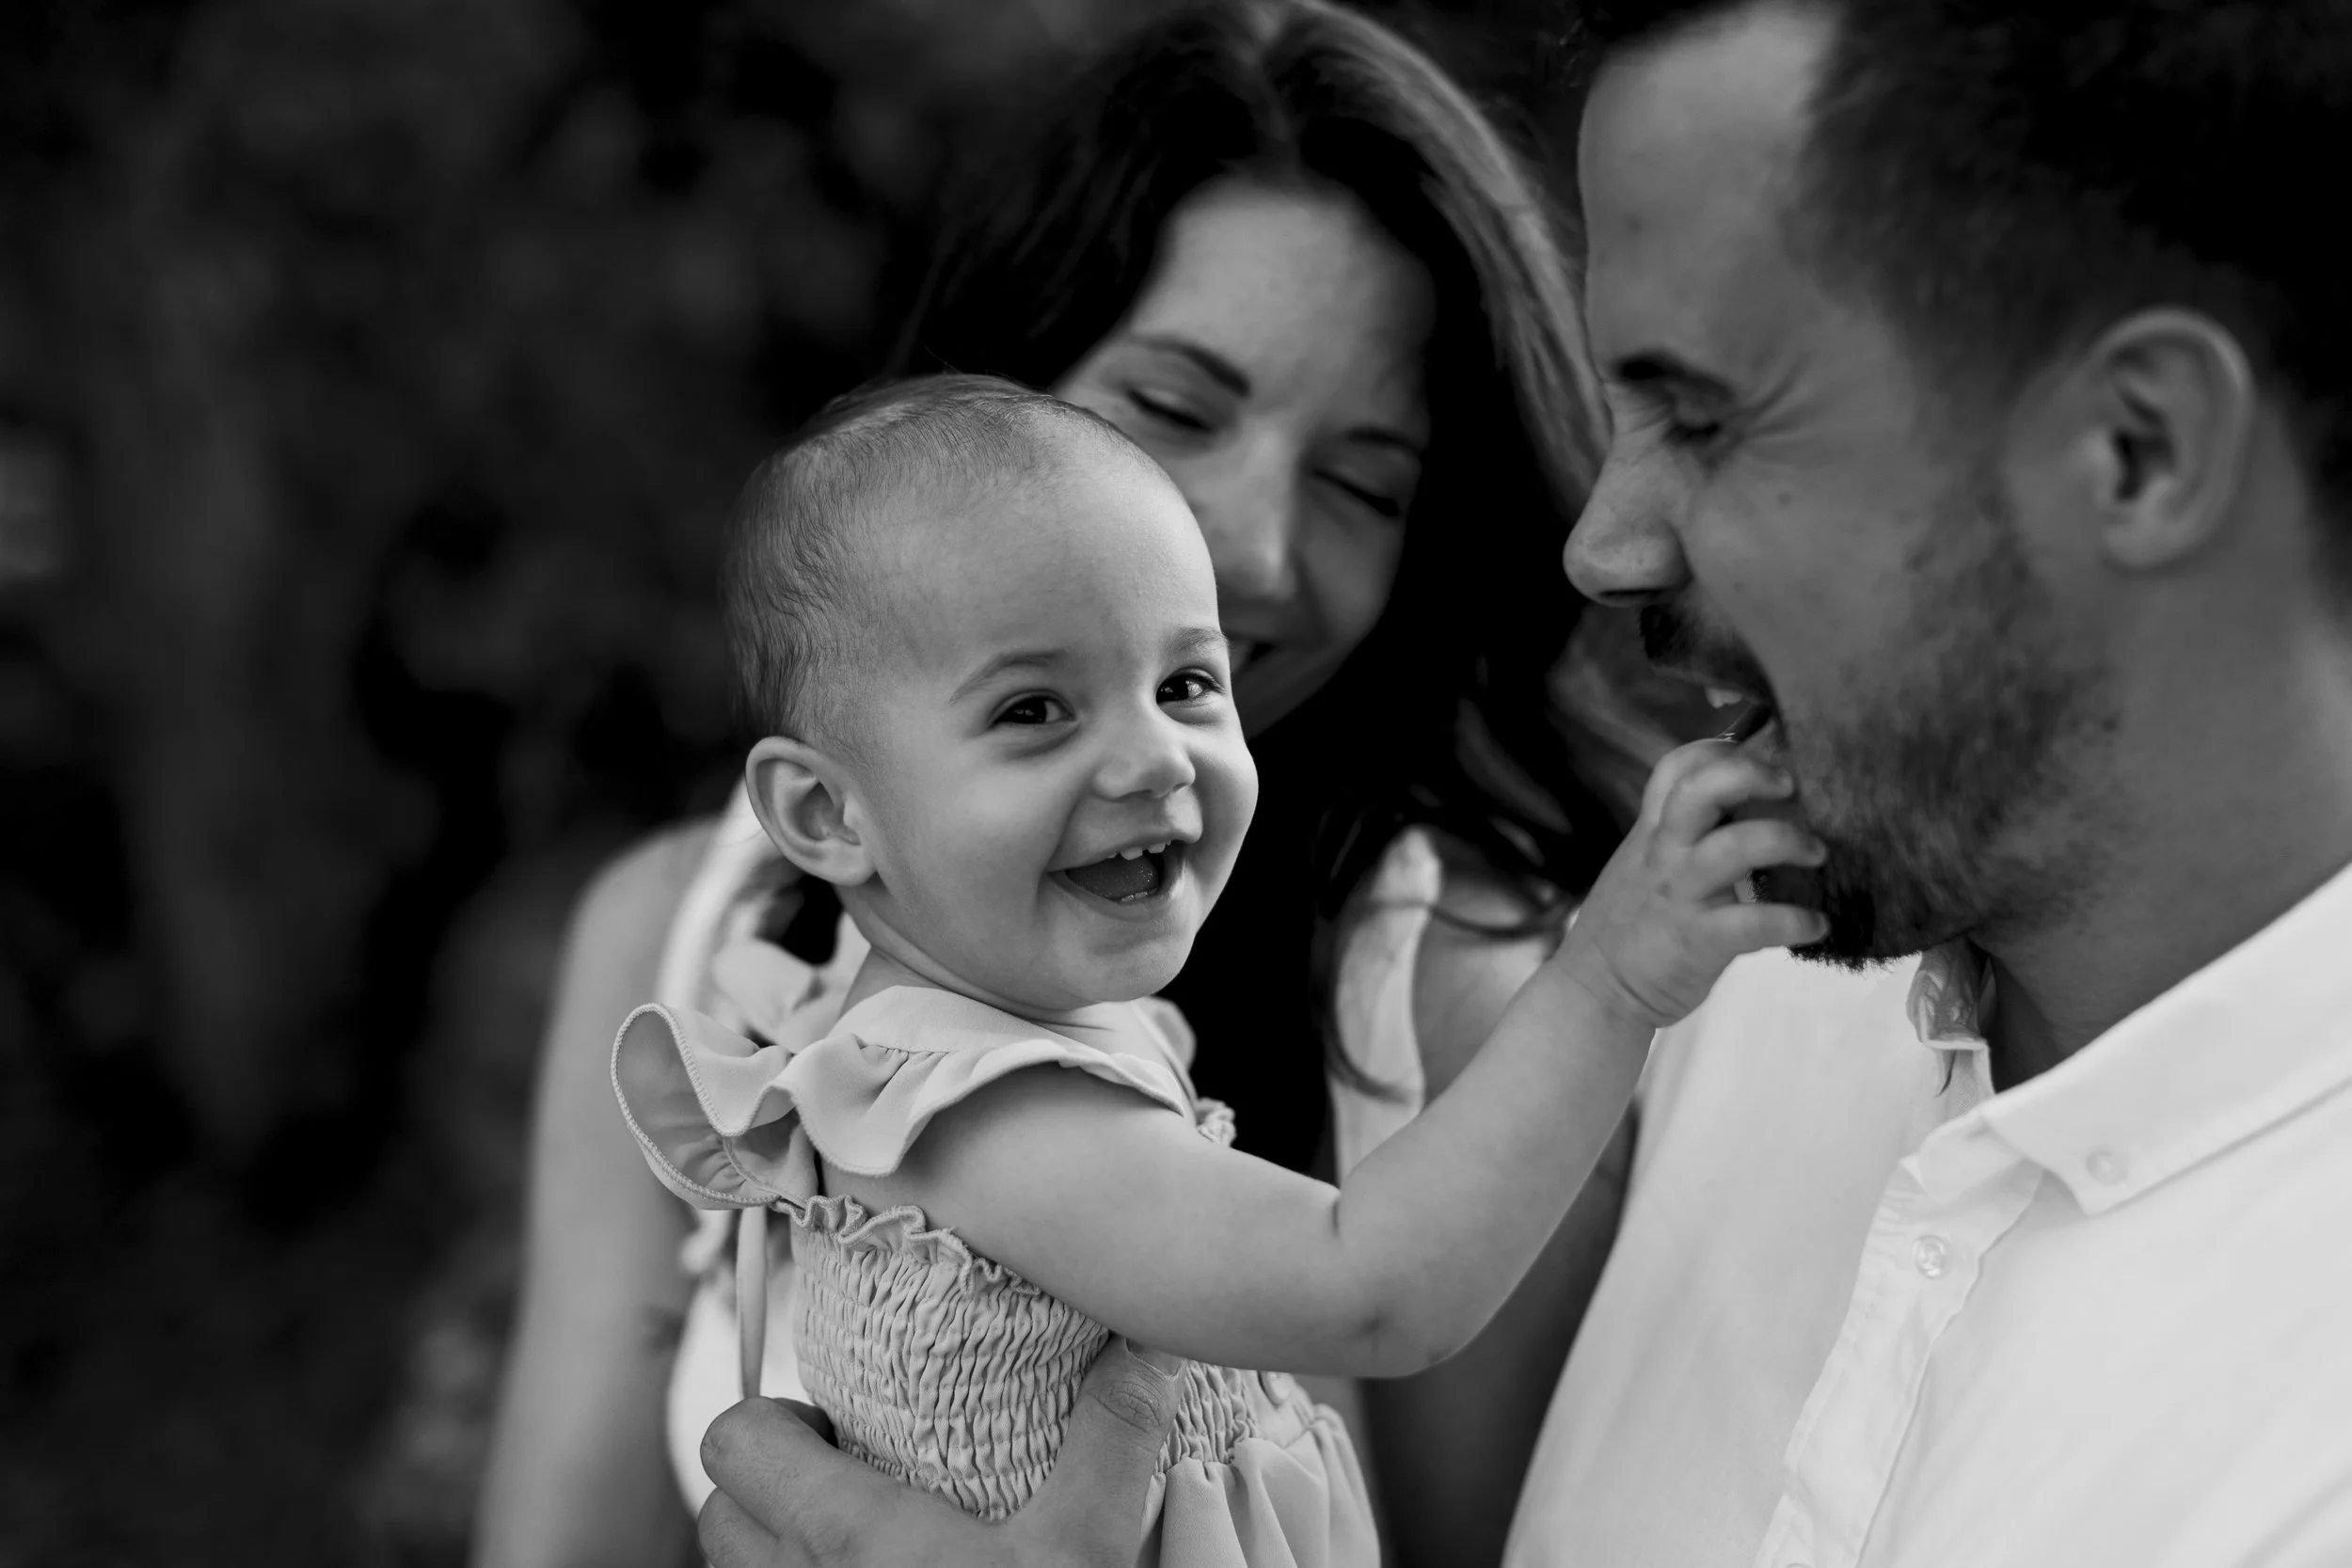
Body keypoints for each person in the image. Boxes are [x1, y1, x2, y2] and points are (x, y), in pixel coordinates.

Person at [687, 0, 2352, 1564]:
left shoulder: (1584, 994)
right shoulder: (1700, 1008)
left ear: (2136, 448)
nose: (1600, 543)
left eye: (1703, 421)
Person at [474, 6, 1696, 1565]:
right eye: (1174, 408)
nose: (1254, 547)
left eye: (1364, 481)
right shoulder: (692, 946)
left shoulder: (1461, 991)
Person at [614, 372, 1820, 1562]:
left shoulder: (1005, 1036)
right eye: (1034, 708)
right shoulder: (991, 1116)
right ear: (826, 813)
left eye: (1185, 683)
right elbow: (1377, 1286)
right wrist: (1611, 980)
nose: (1154, 757)